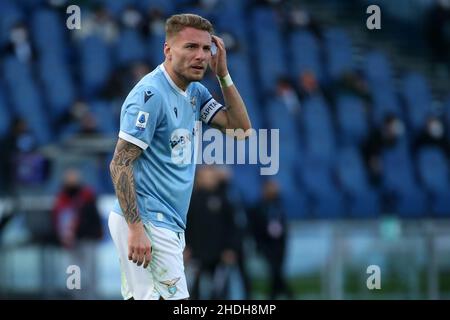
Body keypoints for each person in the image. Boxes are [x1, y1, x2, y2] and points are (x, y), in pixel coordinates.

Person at [108, 13, 251, 300]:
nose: (200, 56)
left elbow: (240, 130)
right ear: (168, 50)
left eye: (205, 48)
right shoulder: (150, 95)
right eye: (190, 47)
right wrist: (136, 229)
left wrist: (222, 74)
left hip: (166, 221)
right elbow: (120, 162)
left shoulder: (195, 92)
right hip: (147, 219)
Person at [52, 168, 103, 299]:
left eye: (74, 176)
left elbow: (93, 217)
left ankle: (91, 297)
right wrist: (63, 236)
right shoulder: (62, 197)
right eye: (69, 177)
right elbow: (57, 219)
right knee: (73, 271)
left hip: (87, 239)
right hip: (71, 241)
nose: (72, 179)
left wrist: (93, 234)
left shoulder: (87, 195)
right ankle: (76, 296)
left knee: (90, 272)